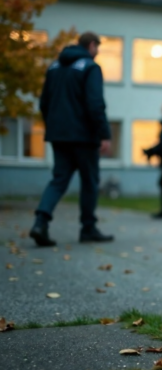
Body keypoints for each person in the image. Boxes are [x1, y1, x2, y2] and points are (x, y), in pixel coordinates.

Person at [29, 31, 114, 247]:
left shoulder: (54, 67)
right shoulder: (90, 67)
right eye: (98, 48)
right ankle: (88, 228)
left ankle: (40, 223)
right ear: (92, 45)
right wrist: (104, 134)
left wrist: (55, 127)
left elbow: (44, 103)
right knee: (89, 182)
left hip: (60, 136)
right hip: (84, 137)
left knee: (58, 180)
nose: (98, 52)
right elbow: (95, 103)